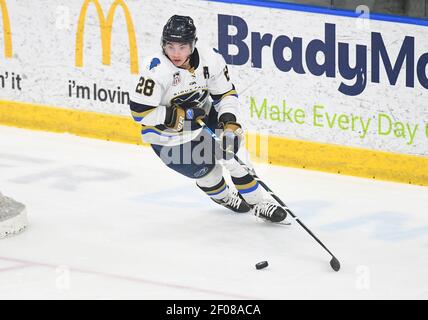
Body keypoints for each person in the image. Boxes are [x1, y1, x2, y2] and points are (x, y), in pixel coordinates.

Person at [129, 15, 286, 223]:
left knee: (235, 156)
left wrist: (229, 123)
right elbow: (139, 112)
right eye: (170, 46)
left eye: (182, 47)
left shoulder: (210, 59)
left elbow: (225, 95)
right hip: (167, 137)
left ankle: (258, 203)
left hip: (204, 114)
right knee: (209, 174)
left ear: (193, 45)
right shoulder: (156, 71)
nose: (175, 53)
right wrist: (177, 116)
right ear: (163, 44)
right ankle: (223, 197)